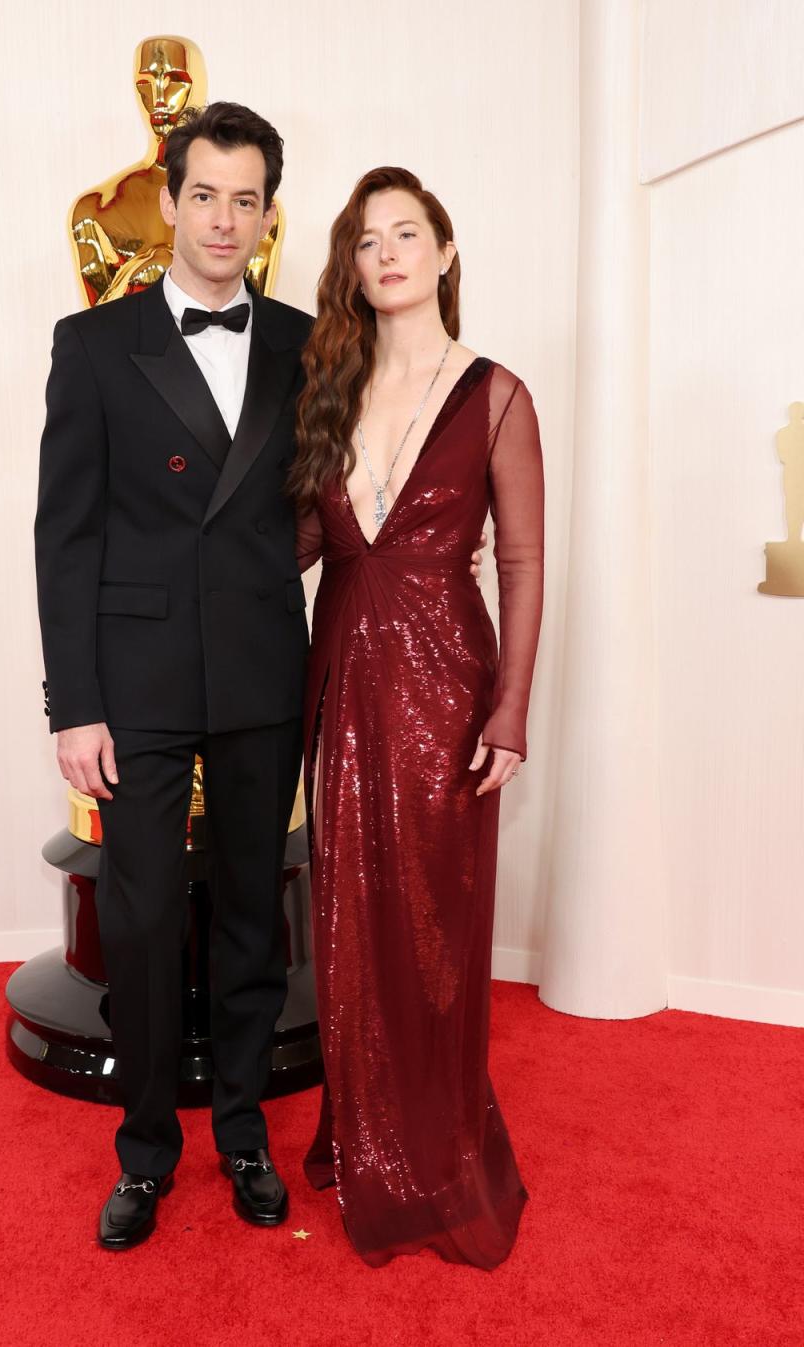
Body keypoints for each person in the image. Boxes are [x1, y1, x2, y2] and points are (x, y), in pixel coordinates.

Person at [36, 102, 314, 1249]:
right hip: (137, 679)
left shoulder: (307, 341)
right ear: (170, 197)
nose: (224, 219)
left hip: (260, 667)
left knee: (253, 914)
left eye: (247, 200)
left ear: (265, 213)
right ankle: (146, 1153)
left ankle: (243, 1133)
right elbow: (66, 533)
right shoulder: (93, 342)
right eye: (206, 194)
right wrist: (76, 705)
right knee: (147, 922)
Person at [290, 167, 545, 1269]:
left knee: (438, 923)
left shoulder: (496, 393)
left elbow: (526, 562)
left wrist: (512, 710)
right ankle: (362, 1129)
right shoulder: (327, 389)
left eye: (408, 234)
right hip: (340, 678)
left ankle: (436, 1147)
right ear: (351, 267)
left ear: (444, 254)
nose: (387, 252)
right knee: (347, 912)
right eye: (366, 240)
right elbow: (295, 547)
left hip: (448, 683)